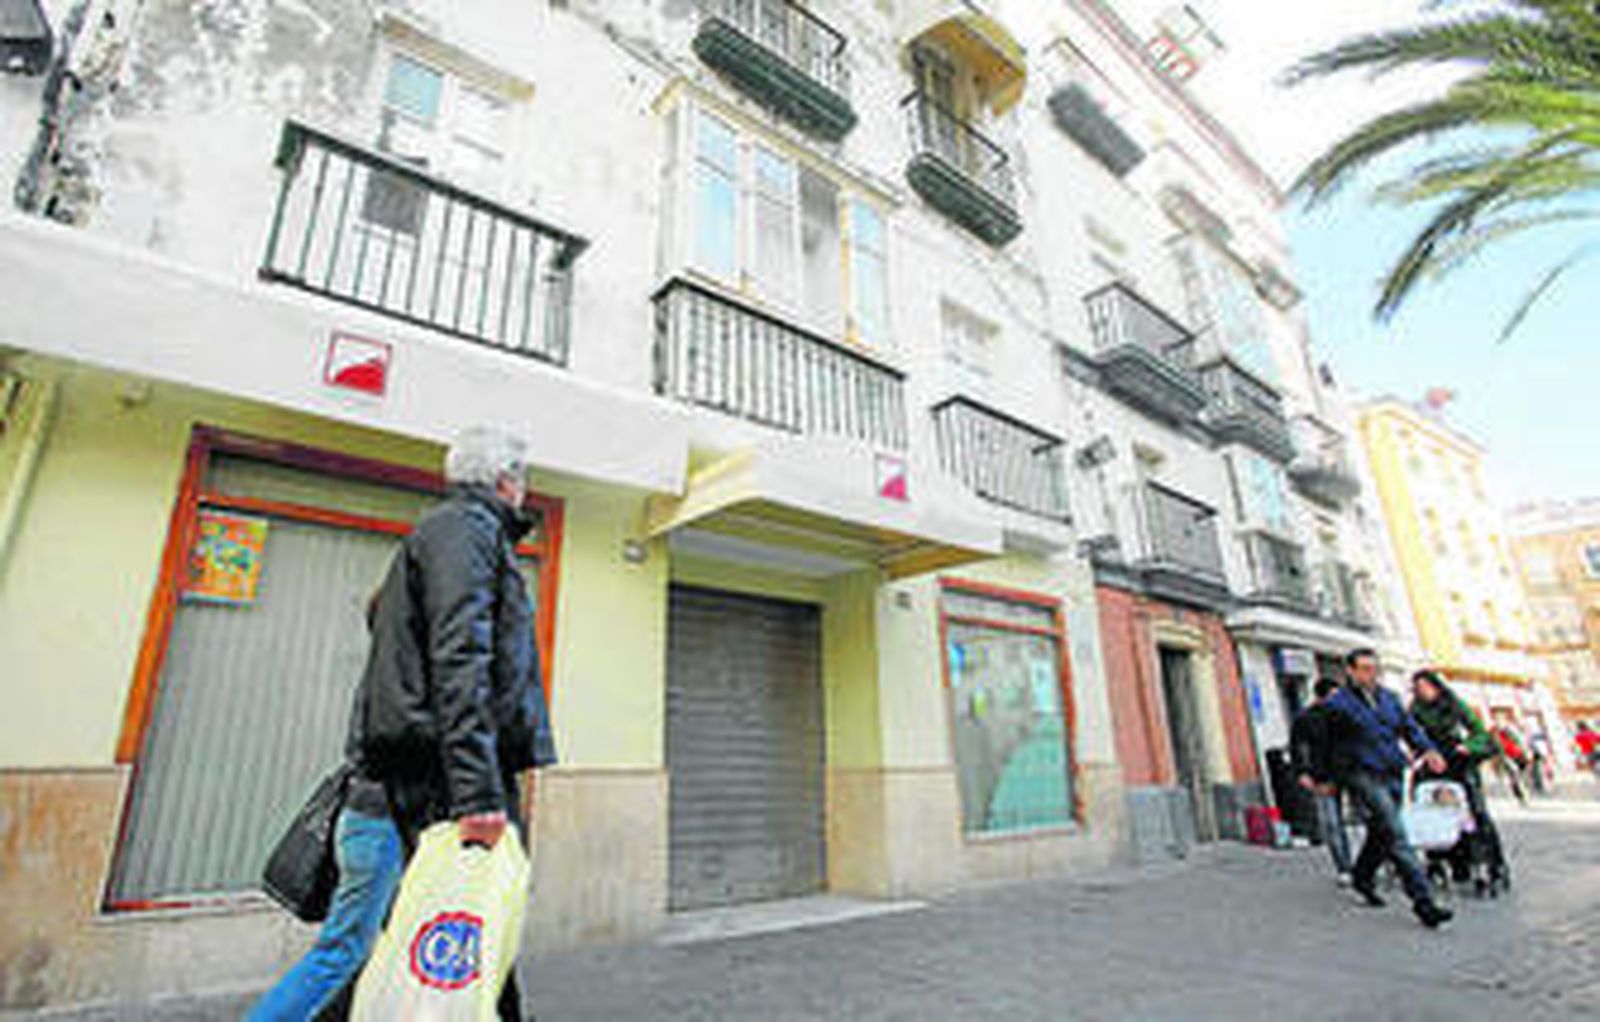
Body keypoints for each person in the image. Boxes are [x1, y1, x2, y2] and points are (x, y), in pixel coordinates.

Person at [348, 426, 557, 1022]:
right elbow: (459, 657)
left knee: (473, 915)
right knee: (464, 919)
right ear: (505, 480)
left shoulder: (458, 534)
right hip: (451, 771)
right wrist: (477, 791)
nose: (523, 490)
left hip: (447, 764)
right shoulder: (464, 531)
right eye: (522, 479)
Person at [249, 596, 403, 1021]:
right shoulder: (399, 678)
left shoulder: (388, 672)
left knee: (396, 948)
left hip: (380, 823)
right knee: (341, 953)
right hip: (381, 824)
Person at [1322, 648, 1454, 929]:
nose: (1372, 675)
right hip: (1361, 773)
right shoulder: (1338, 705)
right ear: (1351, 671)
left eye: (1375, 669)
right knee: (1396, 832)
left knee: (1382, 833)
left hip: (1392, 771)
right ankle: (1424, 902)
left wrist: (1429, 750)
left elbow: (1410, 728)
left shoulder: (1389, 699)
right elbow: (1326, 745)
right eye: (1366, 669)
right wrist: (1325, 778)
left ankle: (1362, 875)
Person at [1408, 670, 1509, 894]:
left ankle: (1493, 864)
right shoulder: (1414, 710)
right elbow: (1411, 735)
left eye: (1425, 686)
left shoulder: (1455, 705)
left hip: (1459, 761)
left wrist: (1469, 747)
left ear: (1436, 686)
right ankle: (1451, 863)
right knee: (1437, 814)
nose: (1422, 691)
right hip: (1433, 764)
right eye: (1418, 688)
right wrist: (1421, 753)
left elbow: (1480, 732)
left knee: (1474, 813)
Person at [1291, 678, 1352, 885]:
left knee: (1375, 819)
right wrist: (1302, 773)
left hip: (1353, 775)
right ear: (1320, 697)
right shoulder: (1306, 718)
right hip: (1323, 777)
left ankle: (1375, 864)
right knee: (1332, 824)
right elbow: (1297, 747)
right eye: (1334, 697)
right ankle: (1345, 868)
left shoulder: (1347, 716)